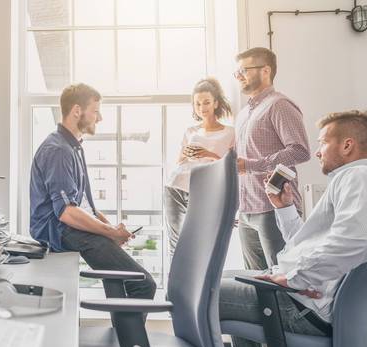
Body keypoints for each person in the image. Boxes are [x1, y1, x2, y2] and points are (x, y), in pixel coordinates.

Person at [220, 110, 367, 347]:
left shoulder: (359, 177)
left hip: (301, 304)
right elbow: (304, 245)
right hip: (303, 297)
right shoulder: (356, 179)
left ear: (347, 145)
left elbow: (358, 239)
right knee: (228, 278)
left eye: (323, 142)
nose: (317, 152)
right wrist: (284, 207)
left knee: (205, 295)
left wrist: (294, 279)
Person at [29, 83, 156, 300]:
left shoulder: (73, 148)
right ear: (77, 110)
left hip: (69, 228)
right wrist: (110, 233)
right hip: (60, 230)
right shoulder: (59, 150)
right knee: (143, 284)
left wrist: (111, 228)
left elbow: (84, 206)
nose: (100, 118)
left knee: (120, 280)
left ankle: (122, 334)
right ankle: (129, 335)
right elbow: (67, 212)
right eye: (96, 111)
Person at [233, 47, 311, 273]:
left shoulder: (280, 105)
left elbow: (300, 151)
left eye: (243, 70)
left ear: (265, 70)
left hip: (274, 209)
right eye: (236, 72)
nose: (238, 75)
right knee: (255, 280)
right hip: (246, 213)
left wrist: (250, 165)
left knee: (283, 278)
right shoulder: (243, 114)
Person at [165, 78, 234, 257]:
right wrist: (187, 154)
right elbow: (179, 161)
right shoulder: (190, 131)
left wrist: (207, 153)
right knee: (176, 243)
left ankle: (200, 284)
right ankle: (176, 285)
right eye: (197, 104)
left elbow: (231, 165)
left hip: (206, 189)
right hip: (176, 186)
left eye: (206, 102)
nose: (202, 107)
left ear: (216, 103)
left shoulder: (230, 132)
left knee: (203, 242)